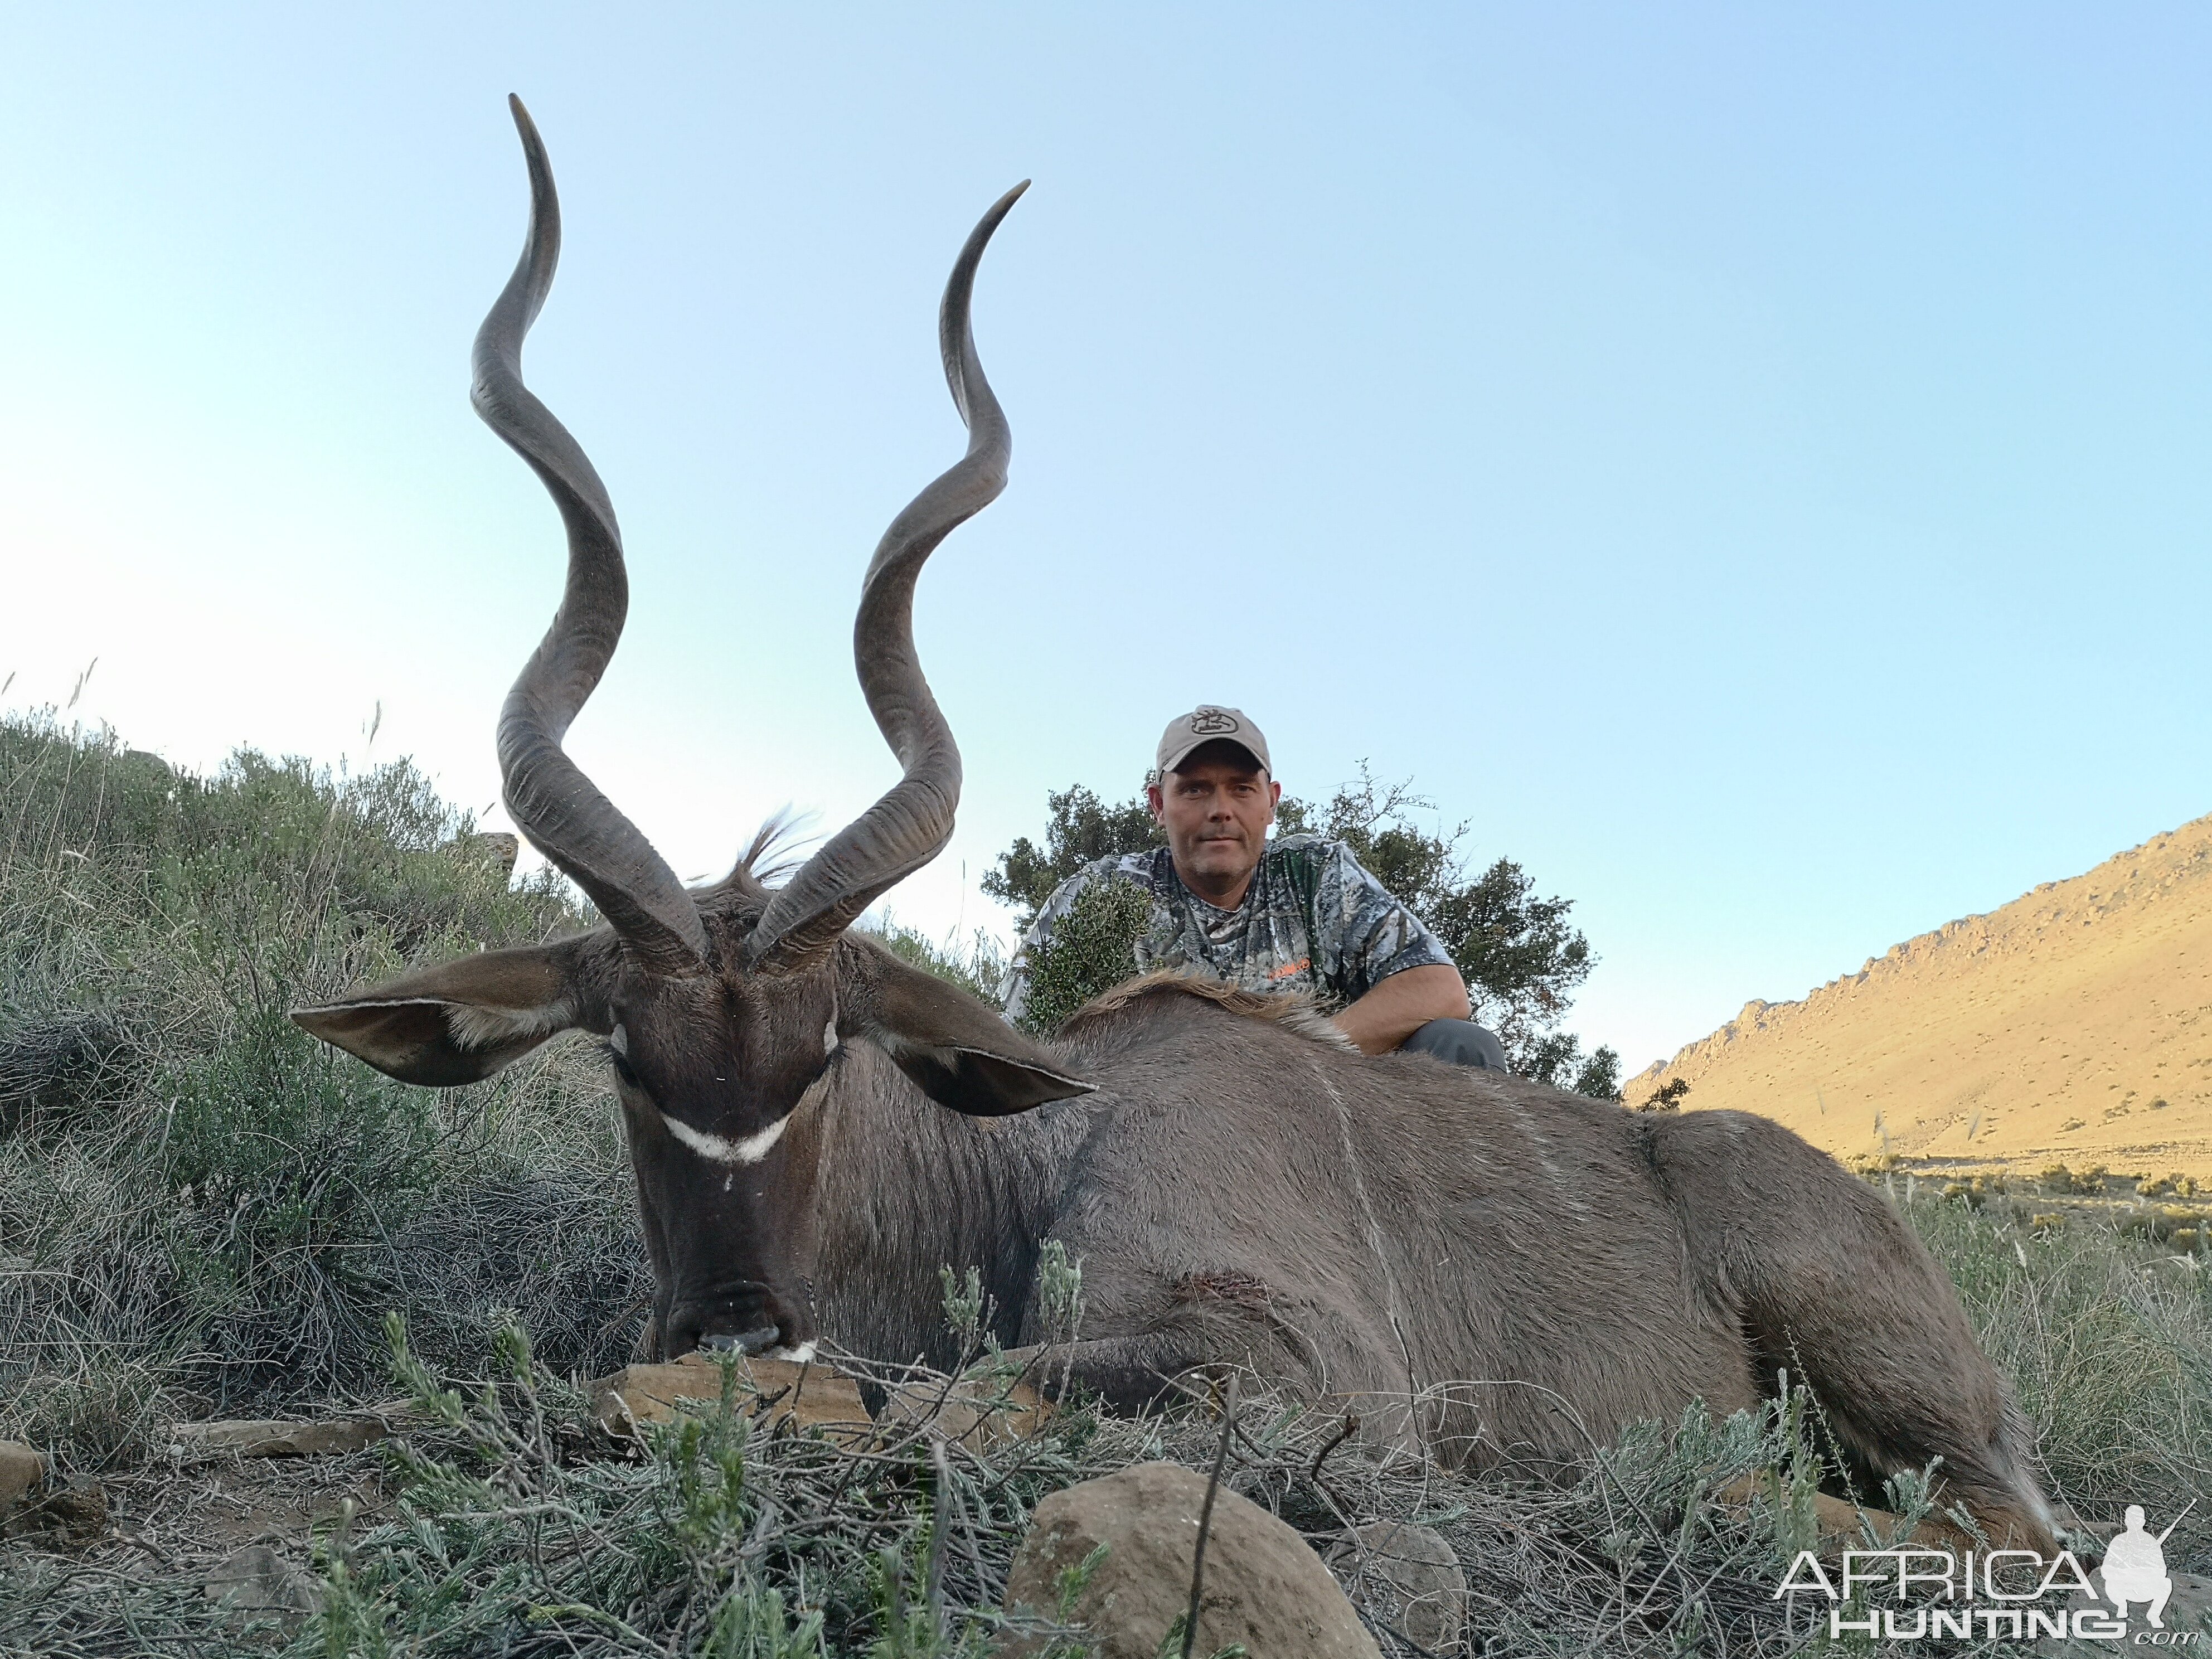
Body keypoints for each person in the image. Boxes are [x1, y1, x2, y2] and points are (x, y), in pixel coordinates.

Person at [998, 705, 1508, 1066]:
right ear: (1157, 804)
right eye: (1195, 788)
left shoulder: (1315, 874)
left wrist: (1288, 1069)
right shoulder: (1101, 894)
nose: (1221, 809)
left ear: (1272, 801)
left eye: (1242, 789)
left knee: (1463, 1046)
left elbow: (1439, 989)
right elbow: (1017, 1046)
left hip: (1317, 1121)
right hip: (1154, 1135)